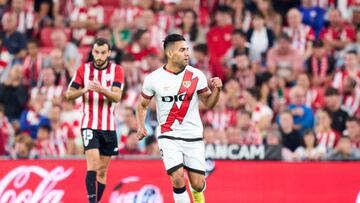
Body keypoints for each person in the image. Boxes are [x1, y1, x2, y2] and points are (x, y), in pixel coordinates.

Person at [136, 34, 222, 203]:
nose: (187, 53)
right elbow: (142, 105)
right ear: (170, 54)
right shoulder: (154, 79)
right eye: (182, 50)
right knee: (176, 177)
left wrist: (217, 91)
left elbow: (209, 103)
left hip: (193, 135)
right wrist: (141, 126)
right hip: (168, 135)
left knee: (198, 184)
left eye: (187, 49)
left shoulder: (196, 75)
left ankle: (196, 192)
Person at [65, 38, 124, 203]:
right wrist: (85, 89)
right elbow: (69, 94)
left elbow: (117, 96)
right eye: (96, 52)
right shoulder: (83, 69)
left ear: (109, 53)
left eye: (103, 53)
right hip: (89, 125)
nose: (99, 56)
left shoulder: (117, 70)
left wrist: (101, 90)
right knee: (92, 165)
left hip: (109, 127)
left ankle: (97, 201)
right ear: (92, 52)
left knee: (102, 171)